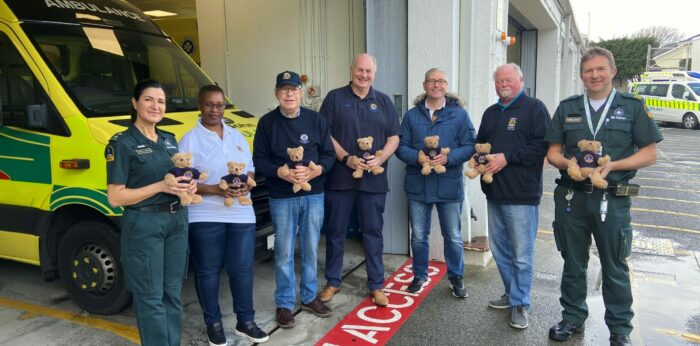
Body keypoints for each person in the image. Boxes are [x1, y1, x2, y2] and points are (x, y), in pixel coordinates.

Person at [545, 47, 662, 346]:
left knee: (615, 263)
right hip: (572, 198)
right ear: (582, 75)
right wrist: (568, 164)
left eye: (600, 69)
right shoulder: (568, 107)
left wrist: (614, 165)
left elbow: (650, 153)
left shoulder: (632, 106)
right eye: (588, 71)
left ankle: (620, 328)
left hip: (612, 198)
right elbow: (553, 152)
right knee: (573, 261)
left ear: (612, 71)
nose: (594, 75)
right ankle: (572, 317)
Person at [178, 85, 268, 345]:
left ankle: (246, 321)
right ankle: (213, 324)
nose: (214, 110)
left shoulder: (237, 136)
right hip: (204, 213)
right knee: (208, 271)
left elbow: (249, 170)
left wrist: (245, 183)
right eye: (209, 104)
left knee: (242, 270)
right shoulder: (189, 139)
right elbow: (186, 181)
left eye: (219, 105)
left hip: (240, 212)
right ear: (200, 105)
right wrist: (216, 189)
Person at [106, 79, 192, 346]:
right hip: (144, 223)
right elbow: (115, 197)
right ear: (135, 103)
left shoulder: (169, 140)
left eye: (161, 101)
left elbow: (177, 176)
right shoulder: (121, 143)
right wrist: (160, 185)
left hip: (176, 221)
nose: (156, 106)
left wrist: (188, 184)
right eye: (149, 99)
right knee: (150, 297)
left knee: (172, 294)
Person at [253, 71, 336, 329]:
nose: (290, 93)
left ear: (301, 93)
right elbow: (259, 161)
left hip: (313, 195)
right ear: (276, 93)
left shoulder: (316, 119)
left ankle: (309, 296)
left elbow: (329, 154)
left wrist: (316, 170)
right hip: (282, 196)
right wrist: (280, 172)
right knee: (284, 251)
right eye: (284, 89)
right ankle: (285, 303)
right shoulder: (267, 123)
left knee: (310, 247)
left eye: (294, 89)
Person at [318, 53, 400, 306]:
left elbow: (394, 137)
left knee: (373, 232)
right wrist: (346, 159)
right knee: (335, 232)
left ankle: (376, 285)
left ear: (374, 73)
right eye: (359, 70)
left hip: (373, 181)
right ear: (351, 70)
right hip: (340, 179)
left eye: (368, 71)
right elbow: (325, 134)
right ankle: (333, 281)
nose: (364, 75)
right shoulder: (334, 98)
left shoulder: (384, 101)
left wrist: (380, 159)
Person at [477, 63, 550, 329]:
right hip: (494, 193)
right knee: (501, 251)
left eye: (509, 79)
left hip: (521, 195)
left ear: (521, 80)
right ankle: (512, 294)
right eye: (499, 81)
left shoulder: (534, 108)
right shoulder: (491, 112)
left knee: (521, 254)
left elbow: (541, 147)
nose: (503, 84)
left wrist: (507, 158)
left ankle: (521, 303)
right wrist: (479, 159)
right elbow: (481, 143)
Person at [395, 68, 475, 299]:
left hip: (448, 184)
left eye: (440, 81)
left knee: (453, 235)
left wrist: (449, 158)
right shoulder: (411, 116)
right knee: (419, 235)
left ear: (446, 85)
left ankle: (456, 276)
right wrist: (416, 157)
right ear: (424, 85)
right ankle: (419, 275)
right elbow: (401, 147)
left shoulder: (459, 115)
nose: (436, 85)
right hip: (418, 184)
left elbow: (470, 145)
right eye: (432, 81)